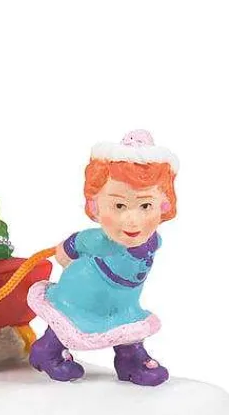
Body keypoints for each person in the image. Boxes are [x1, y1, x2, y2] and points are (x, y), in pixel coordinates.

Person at [28, 130, 178, 384]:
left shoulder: (154, 241)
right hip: (82, 293)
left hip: (123, 300)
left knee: (127, 322)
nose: (132, 220)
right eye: (119, 206)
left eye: (145, 206)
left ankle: (130, 359)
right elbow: (67, 250)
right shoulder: (97, 240)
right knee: (70, 320)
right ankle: (47, 351)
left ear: (164, 206)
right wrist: (67, 257)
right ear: (95, 206)